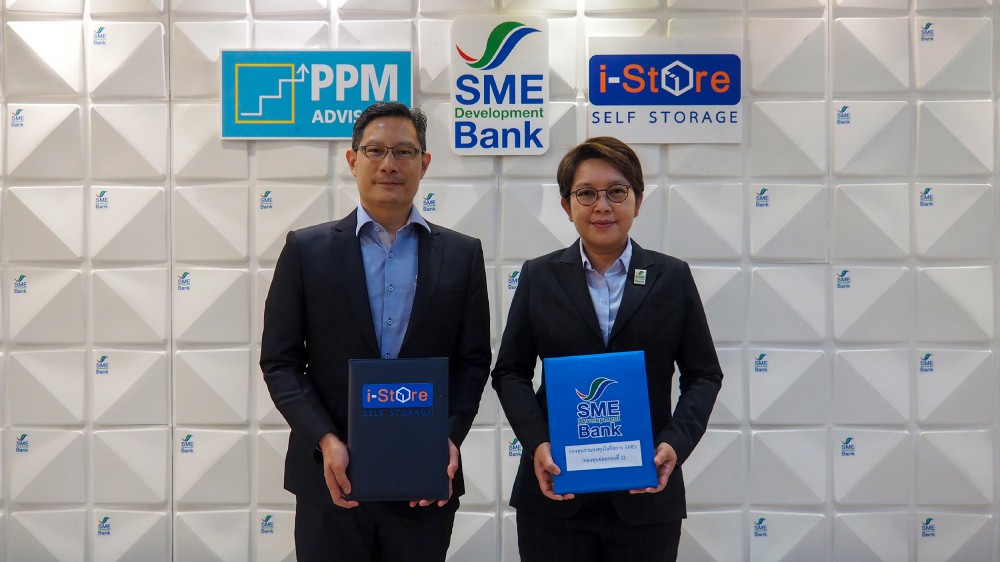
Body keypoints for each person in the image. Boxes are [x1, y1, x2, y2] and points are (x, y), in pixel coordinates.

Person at [260, 101, 492, 562]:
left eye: (404, 152)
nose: (390, 164)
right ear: (353, 160)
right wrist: (325, 440)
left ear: (425, 163)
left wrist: (446, 439)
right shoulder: (306, 250)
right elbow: (280, 362)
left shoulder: (462, 255)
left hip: (423, 481)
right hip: (331, 479)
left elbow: (472, 362)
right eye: (375, 150)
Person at [491, 136, 723, 562]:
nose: (602, 206)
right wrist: (538, 443)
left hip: (645, 490)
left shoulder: (671, 276)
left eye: (616, 191)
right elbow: (510, 372)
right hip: (555, 491)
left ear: (638, 201)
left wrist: (674, 444)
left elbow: (704, 374)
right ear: (567, 206)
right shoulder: (539, 276)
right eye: (586, 193)